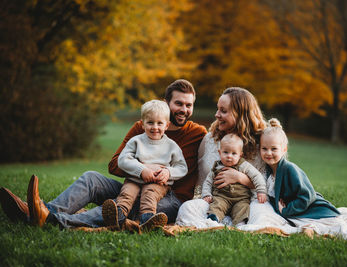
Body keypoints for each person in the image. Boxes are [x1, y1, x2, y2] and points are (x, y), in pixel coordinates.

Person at [0, 79, 207, 230]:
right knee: (92, 178)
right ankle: (42, 210)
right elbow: (115, 164)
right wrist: (143, 168)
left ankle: (52, 220)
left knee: (126, 206)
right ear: (166, 103)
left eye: (189, 105)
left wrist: (167, 173)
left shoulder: (198, 133)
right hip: (133, 183)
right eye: (178, 103)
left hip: (171, 198)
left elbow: (223, 145)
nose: (184, 109)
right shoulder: (141, 129)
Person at [176, 87, 290, 230]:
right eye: (218, 109)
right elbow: (200, 180)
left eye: (223, 111)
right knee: (187, 209)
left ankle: (233, 224)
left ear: (241, 114)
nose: (217, 115)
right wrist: (203, 198)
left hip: (250, 202)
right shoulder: (210, 139)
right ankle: (219, 222)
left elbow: (274, 182)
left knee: (263, 217)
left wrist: (240, 178)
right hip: (215, 201)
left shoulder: (262, 142)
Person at [258, 118, 347, 238]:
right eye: (264, 149)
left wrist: (285, 211)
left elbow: (307, 196)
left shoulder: (290, 169)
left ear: (284, 149)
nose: (268, 153)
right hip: (297, 214)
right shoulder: (267, 171)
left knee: (339, 229)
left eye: (274, 149)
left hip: (312, 210)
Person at [102, 100, 188, 231]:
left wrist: (168, 172)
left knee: (149, 194)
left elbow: (182, 167)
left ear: (167, 125)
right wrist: (141, 170)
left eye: (160, 123)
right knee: (126, 194)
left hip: (158, 183)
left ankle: (147, 219)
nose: (155, 127)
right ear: (142, 124)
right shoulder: (136, 141)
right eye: (150, 122)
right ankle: (118, 216)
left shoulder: (171, 146)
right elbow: (123, 159)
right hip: (135, 179)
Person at [201, 133, 267, 226]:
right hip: (221, 197)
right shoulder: (217, 167)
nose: (229, 156)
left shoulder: (243, 165)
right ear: (220, 152)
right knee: (217, 205)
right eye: (226, 152)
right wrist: (206, 194)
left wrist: (261, 191)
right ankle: (213, 219)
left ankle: (240, 223)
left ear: (240, 155)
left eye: (234, 153)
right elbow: (208, 182)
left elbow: (257, 176)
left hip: (240, 198)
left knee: (242, 208)